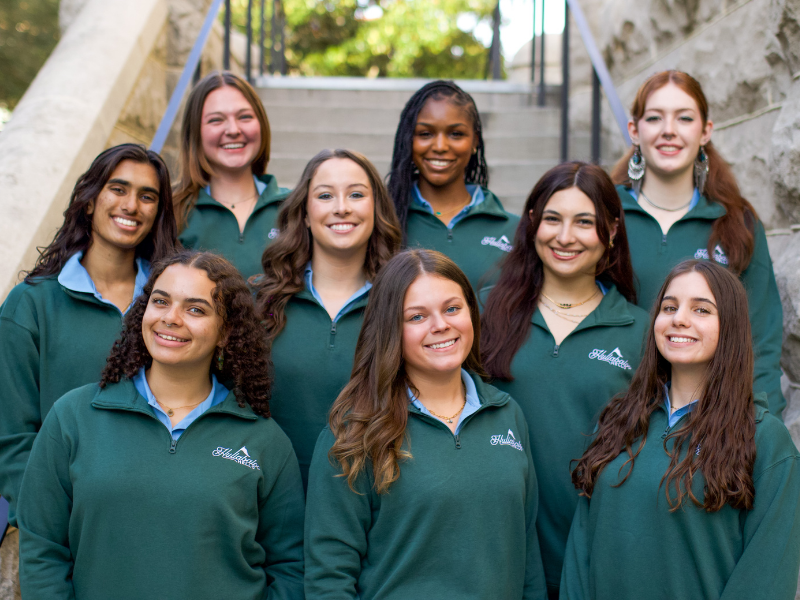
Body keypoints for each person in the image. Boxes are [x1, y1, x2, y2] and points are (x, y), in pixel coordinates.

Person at [17, 251, 305, 600]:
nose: (171, 318)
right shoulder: (73, 417)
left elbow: (290, 567)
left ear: (226, 332)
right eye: (161, 301)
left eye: (196, 309)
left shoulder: (264, 441)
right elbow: (43, 549)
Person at [305, 249, 547, 600]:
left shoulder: (507, 414)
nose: (440, 325)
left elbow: (526, 551)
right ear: (391, 329)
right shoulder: (354, 429)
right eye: (417, 317)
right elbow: (329, 575)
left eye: (452, 309)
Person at [561, 260, 800, 600]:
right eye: (669, 307)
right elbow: (580, 551)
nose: (679, 319)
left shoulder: (764, 439)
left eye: (701, 309)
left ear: (730, 327)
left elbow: (767, 578)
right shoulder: (619, 421)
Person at [480, 162, 648, 599]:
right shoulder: (480, 315)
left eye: (584, 222)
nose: (565, 236)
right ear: (532, 222)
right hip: (495, 556)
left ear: (611, 230)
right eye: (552, 218)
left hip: (598, 559)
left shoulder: (643, 332)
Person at [0, 143, 177, 532]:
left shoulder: (173, 307)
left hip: (161, 517)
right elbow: (12, 436)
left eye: (148, 196)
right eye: (118, 188)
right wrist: (45, 521)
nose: (131, 205)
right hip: (67, 526)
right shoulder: (30, 305)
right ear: (90, 200)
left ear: (158, 213)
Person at [611, 70, 784, 417]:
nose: (669, 130)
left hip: (708, 423)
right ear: (634, 130)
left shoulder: (737, 224)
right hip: (612, 413)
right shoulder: (602, 216)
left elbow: (760, 341)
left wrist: (761, 424)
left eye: (684, 118)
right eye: (655, 118)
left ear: (705, 131)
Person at [253, 148, 401, 489]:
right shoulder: (258, 302)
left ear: (376, 208)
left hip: (374, 500)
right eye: (325, 195)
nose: (342, 207)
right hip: (271, 500)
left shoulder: (404, 304)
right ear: (304, 213)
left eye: (356, 194)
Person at [387, 80, 520, 291]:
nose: (440, 146)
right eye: (425, 134)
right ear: (408, 140)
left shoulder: (516, 230)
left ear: (475, 141)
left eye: (456, 134)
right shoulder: (384, 220)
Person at [174, 70, 290, 280]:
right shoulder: (172, 211)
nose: (233, 130)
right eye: (216, 120)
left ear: (261, 124)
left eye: (244, 117)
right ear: (195, 132)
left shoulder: (294, 208)